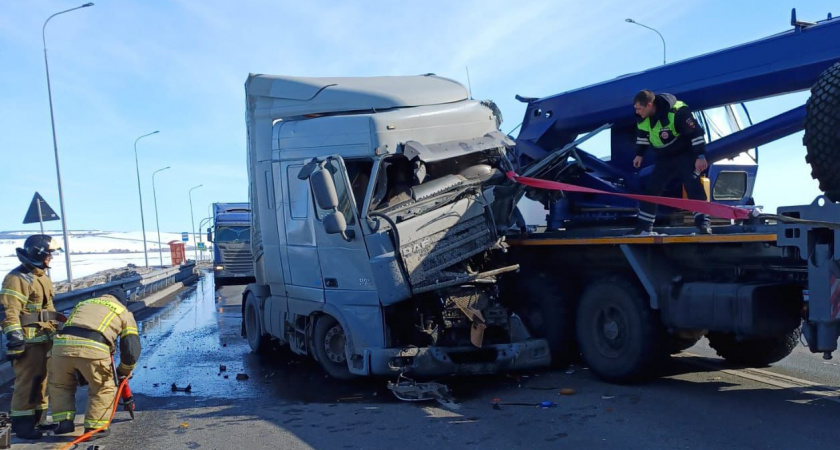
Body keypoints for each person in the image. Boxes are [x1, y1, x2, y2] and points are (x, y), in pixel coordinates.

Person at [48, 289, 141, 440]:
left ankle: (64, 422)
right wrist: (124, 370)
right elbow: (131, 349)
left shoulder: (84, 303)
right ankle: (95, 427)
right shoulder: (123, 312)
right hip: (93, 347)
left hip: (60, 347)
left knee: (61, 385)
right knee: (102, 387)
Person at [0, 234, 64, 440]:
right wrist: (15, 337)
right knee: (27, 382)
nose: (51, 258)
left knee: (43, 381)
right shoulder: (16, 279)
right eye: (49, 254)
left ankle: (39, 419)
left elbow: (49, 308)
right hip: (27, 341)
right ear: (38, 253)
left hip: (44, 338)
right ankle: (23, 425)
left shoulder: (42, 277)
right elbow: (10, 311)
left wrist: (59, 327)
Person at [631, 90, 712, 235]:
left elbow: (696, 134)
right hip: (664, 157)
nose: (637, 112)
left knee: (692, 184)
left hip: (684, 154)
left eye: (639, 108)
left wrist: (700, 156)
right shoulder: (643, 118)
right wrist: (639, 155)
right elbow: (643, 137)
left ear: (649, 105)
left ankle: (704, 224)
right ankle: (644, 227)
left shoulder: (678, 112)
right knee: (652, 189)